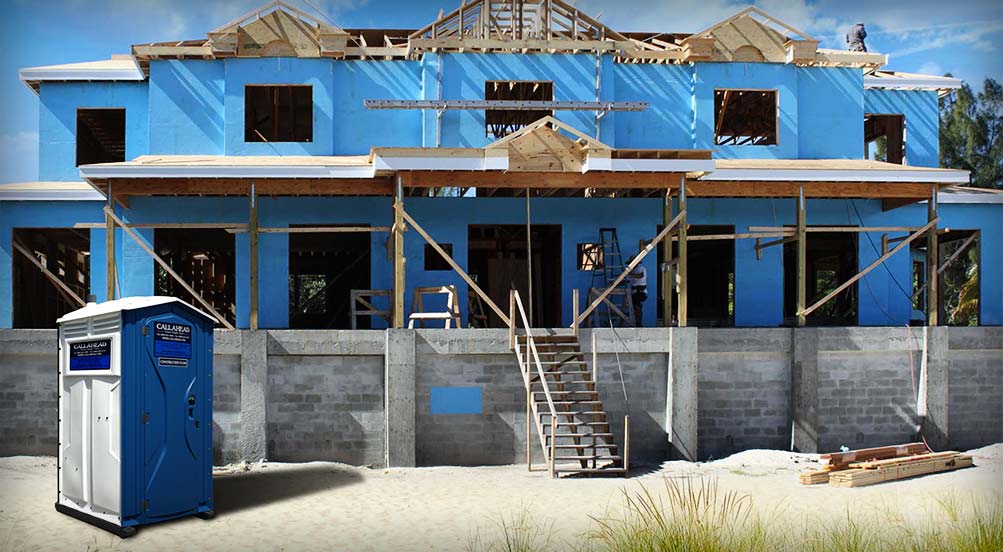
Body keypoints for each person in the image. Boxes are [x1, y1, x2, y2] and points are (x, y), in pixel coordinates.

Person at [629, 256, 647, 327]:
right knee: (634, 308)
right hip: (634, 291)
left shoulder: (641, 268)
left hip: (640, 292)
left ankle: (639, 324)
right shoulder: (632, 270)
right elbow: (628, 280)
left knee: (637, 307)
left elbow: (640, 276)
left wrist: (630, 274)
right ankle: (636, 323)